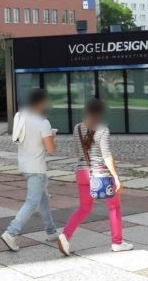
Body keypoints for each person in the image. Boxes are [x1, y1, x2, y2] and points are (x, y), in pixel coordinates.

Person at [57, 98, 133, 256]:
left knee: (84, 208)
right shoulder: (103, 130)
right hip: (101, 175)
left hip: (82, 173)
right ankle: (117, 242)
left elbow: (78, 153)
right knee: (114, 207)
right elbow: (107, 156)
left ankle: (65, 236)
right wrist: (117, 178)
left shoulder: (77, 128)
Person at [1, 88, 58, 251]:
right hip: (36, 168)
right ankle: (11, 232)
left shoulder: (20, 116)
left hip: (24, 165)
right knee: (32, 202)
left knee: (43, 199)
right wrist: (53, 137)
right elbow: (51, 149)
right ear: (41, 102)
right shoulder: (42, 122)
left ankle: (51, 230)